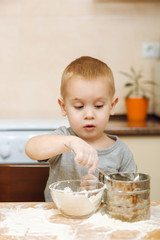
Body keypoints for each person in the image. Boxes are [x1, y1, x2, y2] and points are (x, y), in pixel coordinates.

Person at [25, 56, 137, 201]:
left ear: (112, 106)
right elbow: (31, 148)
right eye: (79, 106)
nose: (89, 115)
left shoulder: (121, 152)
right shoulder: (63, 137)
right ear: (64, 107)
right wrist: (71, 142)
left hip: (103, 222)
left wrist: (101, 191)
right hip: (59, 220)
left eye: (98, 106)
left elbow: (131, 195)